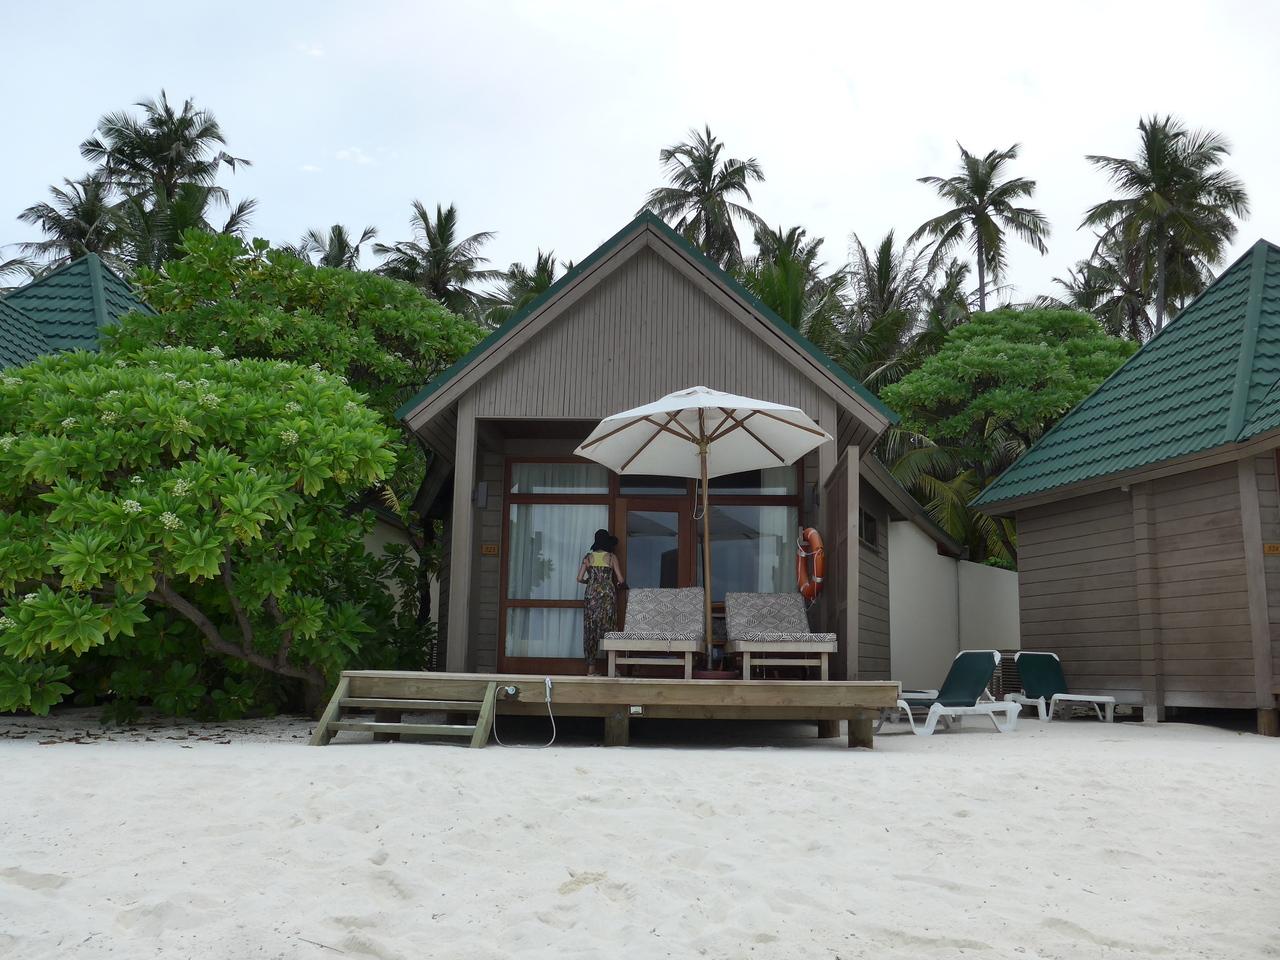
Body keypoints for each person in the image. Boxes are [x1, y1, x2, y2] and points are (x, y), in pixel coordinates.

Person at [577, 529, 625, 675]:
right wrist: (618, 584)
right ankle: (613, 668)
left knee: (591, 629)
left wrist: (589, 581)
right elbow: (620, 579)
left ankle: (591, 669)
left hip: (591, 595)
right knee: (609, 628)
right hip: (607, 596)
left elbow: (579, 578)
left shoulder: (588, 557)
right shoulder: (611, 557)